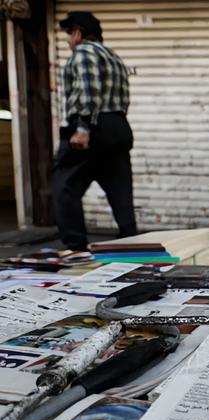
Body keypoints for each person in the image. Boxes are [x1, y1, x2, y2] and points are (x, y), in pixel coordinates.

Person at [53, 11, 136, 251]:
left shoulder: (84, 52)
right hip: (117, 127)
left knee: (64, 186)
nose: (69, 41)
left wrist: (82, 128)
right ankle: (133, 246)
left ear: (77, 33)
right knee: (120, 191)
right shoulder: (114, 57)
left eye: (69, 35)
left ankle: (75, 249)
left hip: (91, 127)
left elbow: (89, 92)